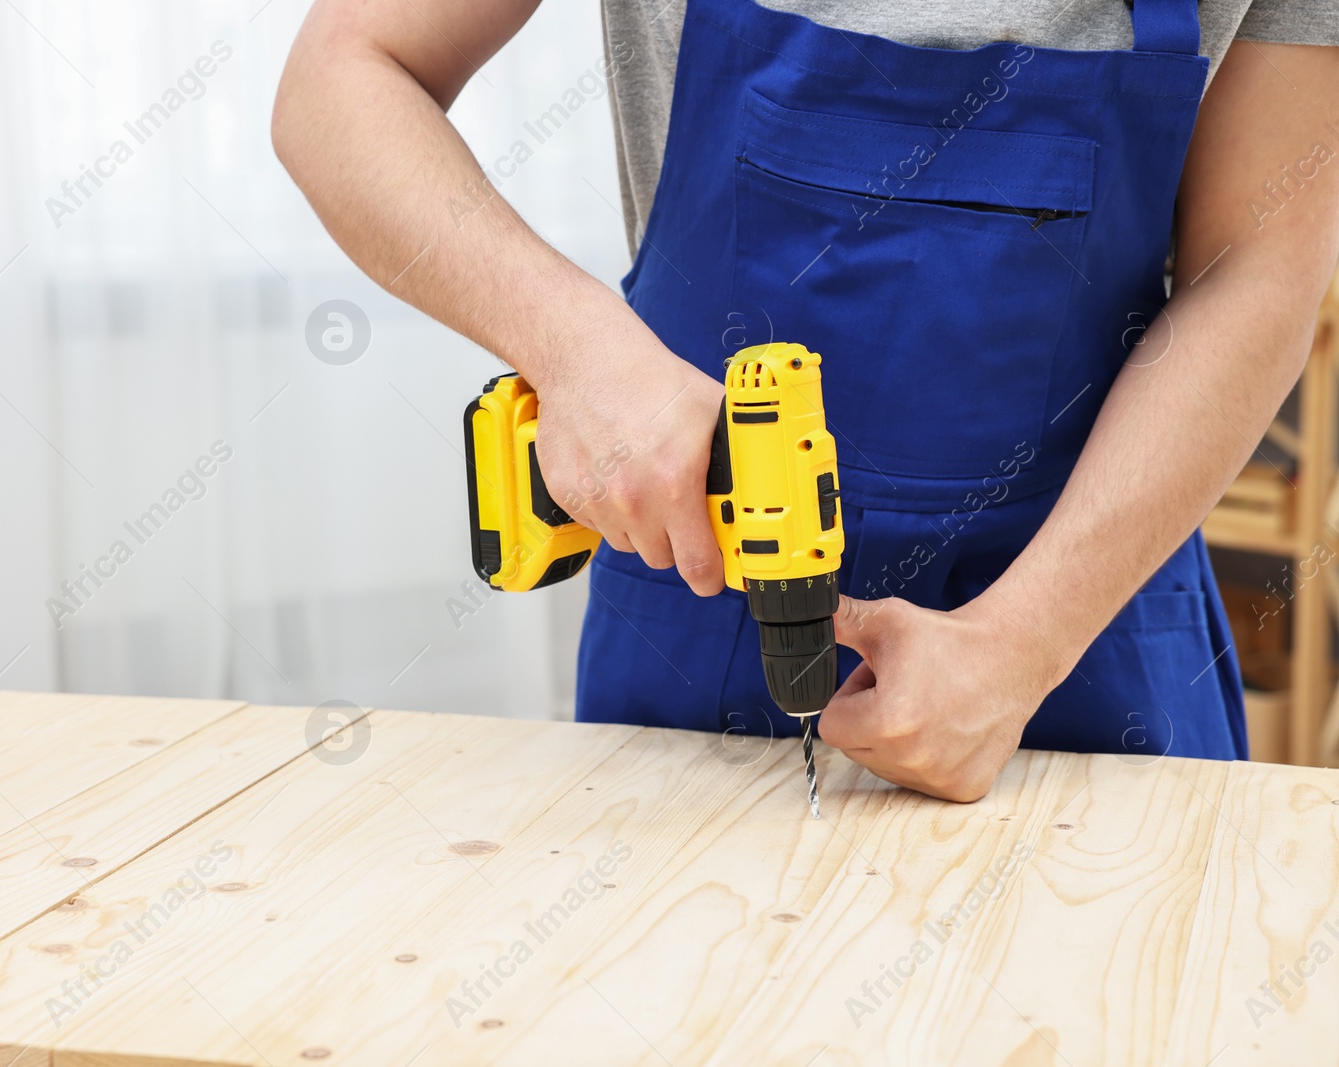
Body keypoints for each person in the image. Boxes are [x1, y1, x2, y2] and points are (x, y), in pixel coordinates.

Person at [275, 0, 1339, 800]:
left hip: (1084, 616)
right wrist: (578, 347)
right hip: (696, 590)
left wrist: (1022, 644)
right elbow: (342, 80)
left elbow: (1252, 271)